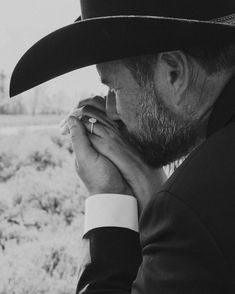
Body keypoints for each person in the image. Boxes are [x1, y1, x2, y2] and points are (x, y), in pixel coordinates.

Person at [10, 0, 235, 293]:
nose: (111, 111)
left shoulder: (191, 210)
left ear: (174, 74)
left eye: (114, 88)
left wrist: (109, 195)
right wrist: (155, 191)